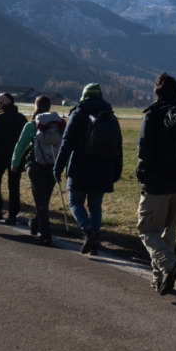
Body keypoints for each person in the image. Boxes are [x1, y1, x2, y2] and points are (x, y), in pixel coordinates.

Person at [135, 72, 176, 295]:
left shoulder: (152, 114)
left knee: (147, 230)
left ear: (157, 92)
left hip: (157, 184)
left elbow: (145, 150)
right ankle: (160, 278)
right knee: (169, 232)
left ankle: (169, 266)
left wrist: (142, 174)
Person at [54, 83, 123, 254]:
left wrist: (58, 167)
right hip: (104, 169)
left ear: (83, 96)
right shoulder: (110, 116)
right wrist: (117, 170)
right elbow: (118, 147)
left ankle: (88, 230)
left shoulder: (78, 114)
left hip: (80, 168)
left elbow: (66, 144)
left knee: (75, 202)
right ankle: (94, 243)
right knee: (95, 205)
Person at [11, 95, 66, 246]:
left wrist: (15, 164)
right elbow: (66, 147)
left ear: (36, 106)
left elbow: (21, 145)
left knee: (40, 200)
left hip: (35, 166)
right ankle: (35, 223)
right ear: (49, 106)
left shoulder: (31, 125)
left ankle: (46, 234)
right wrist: (65, 167)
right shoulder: (61, 124)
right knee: (44, 200)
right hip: (54, 167)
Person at [0, 92, 26, 225]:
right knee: (14, 186)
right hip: (16, 156)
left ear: (2, 104)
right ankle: (12, 214)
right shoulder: (21, 118)